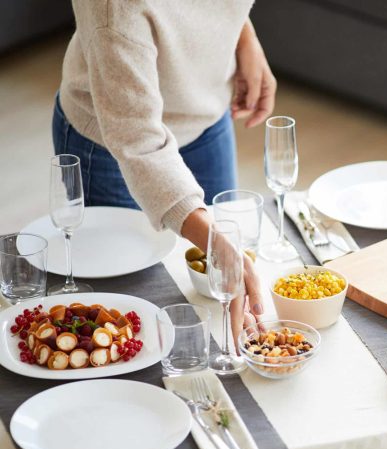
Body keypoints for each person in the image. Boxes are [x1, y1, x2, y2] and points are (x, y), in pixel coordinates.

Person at [53, 1, 276, 334]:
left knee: (218, 296)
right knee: (121, 321)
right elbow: (138, 139)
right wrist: (213, 238)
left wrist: (244, 35)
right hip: (113, 144)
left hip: (207, 117)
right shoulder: (114, 6)